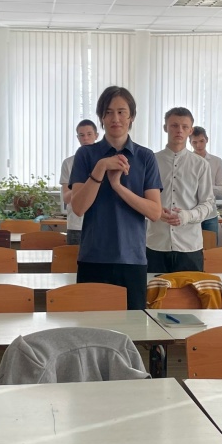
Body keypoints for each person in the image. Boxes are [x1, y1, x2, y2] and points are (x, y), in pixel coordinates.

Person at [70, 86, 162, 310]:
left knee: (133, 327)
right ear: (101, 117)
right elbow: (78, 207)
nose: (115, 118)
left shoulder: (145, 157)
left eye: (122, 112)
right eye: (109, 112)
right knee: (90, 326)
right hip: (93, 257)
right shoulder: (86, 155)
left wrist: (118, 186)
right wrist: (100, 167)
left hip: (132, 258)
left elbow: (154, 212)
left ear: (131, 117)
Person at [146, 107, 215, 273]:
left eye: (185, 127)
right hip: (156, 244)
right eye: (174, 125)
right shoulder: (151, 161)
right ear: (165, 127)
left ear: (191, 130)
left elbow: (208, 203)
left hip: (189, 245)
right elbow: (141, 200)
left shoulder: (201, 165)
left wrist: (188, 215)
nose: (179, 130)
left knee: (190, 290)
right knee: (153, 290)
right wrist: (154, 212)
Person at [59, 119, 99, 246]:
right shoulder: (68, 163)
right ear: (78, 138)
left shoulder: (104, 162)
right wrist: (86, 185)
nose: (85, 138)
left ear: (96, 136)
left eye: (89, 134)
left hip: (100, 224)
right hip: (76, 225)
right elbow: (66, 198)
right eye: (81, 135)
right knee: (73, 259)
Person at [191, 126, 222, 237]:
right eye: (194, 142)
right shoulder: (186, 162)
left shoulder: (216, 161)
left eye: (201, 141)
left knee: (210, 247)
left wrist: (205, 187)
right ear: (190, 143)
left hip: (210, 214)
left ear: (207, 140)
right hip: (191, 214)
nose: (198, 145)